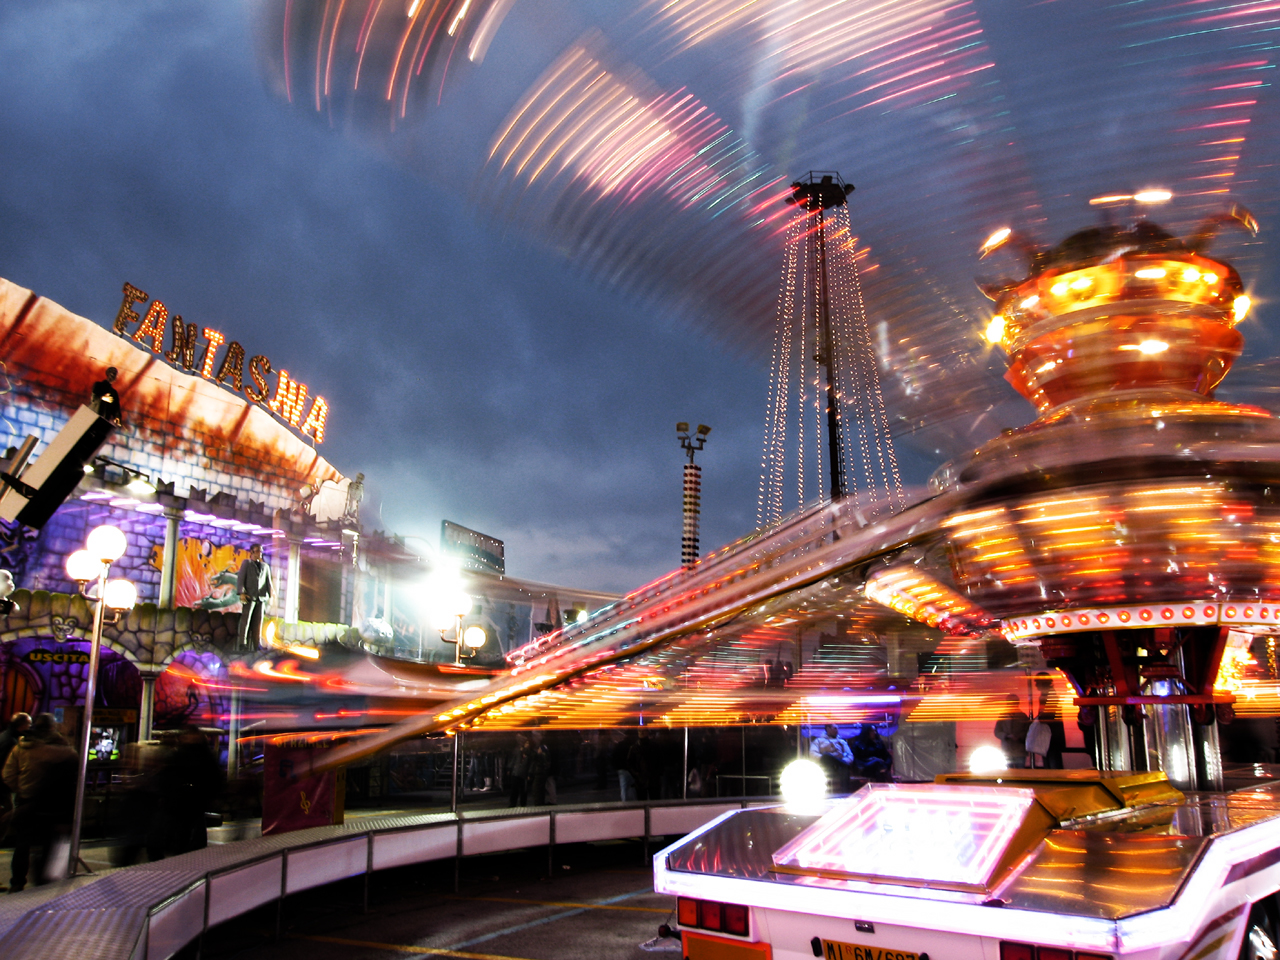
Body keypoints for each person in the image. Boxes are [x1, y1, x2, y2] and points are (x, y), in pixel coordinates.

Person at [2, 713, 77, 891]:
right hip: (54, 806)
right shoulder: (65, 750)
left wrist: (21, 789)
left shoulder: (22, 746)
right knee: (48, 846)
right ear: (53, 727)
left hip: (26, 801)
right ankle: (44, 885)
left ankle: (17, 882)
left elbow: (8, 774)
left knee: (22, 844)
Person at [157, 726, 222, 856]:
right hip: (191, 799)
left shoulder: (181, 754)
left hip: (186, 799)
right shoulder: (204, 755)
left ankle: (180, 852)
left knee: (184, 831)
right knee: (190, 831)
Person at [236, 544, 273, 649]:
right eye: (257, 551)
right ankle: (243, 642)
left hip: (261, 597)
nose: (259, 553)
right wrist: (242, 592)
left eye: (260, 551)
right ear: (251, 552)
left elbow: (268, 581)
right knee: (246, 620)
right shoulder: (247, 563)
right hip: (250, 596)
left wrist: (271, 593)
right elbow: (241, 578)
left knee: (259, 621)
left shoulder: (265, 566)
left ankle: (257, 643)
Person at [0, 712, 31, 836]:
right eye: (29, 724)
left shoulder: (4, 736)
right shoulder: (12, 742)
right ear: (22, 725)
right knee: (7, 812)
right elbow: (6, 766)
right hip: (3, 784)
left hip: (2, 783)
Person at [1032, 673, 1067, 769]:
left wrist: (1037, 720)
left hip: (1051, 736)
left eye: (1037, 682)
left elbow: (1049, 715)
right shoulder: (1049, 694)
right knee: (1052, 761)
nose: (1036, 685)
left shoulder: (1049, 695)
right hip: (1052, 735)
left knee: (1052, 763)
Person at [809, 724, 854, 794]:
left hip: (840, 766)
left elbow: (850, 755)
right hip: (825, 764)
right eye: (835, 728)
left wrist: (843, 761)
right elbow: (813, 754)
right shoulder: (818, 741)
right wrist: (824, 758)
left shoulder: (842, 741)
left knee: (844, 768)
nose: (837, 730)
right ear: (828, 729)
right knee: (826, 756)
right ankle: (842, 764)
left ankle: (845, 793)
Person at [994, 694, 1031, 769]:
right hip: (1012, 750)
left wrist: (1018, 736)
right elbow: (997, 731)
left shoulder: (1022, 716)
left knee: (1015, 773)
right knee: (1014, 772)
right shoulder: (1005, 716)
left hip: (1016, 750)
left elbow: (1028, 731)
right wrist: (1007, 736)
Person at [507, 734, 531, 807]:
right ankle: (513, 803)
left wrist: (529, 774)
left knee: (523, 790)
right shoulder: (518, 750)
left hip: (523, 774)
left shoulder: (529, 753)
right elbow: (513, 759)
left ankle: (522, 803)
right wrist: (509, 768)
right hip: (516, 772)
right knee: (514, 789)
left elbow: (530, 764)